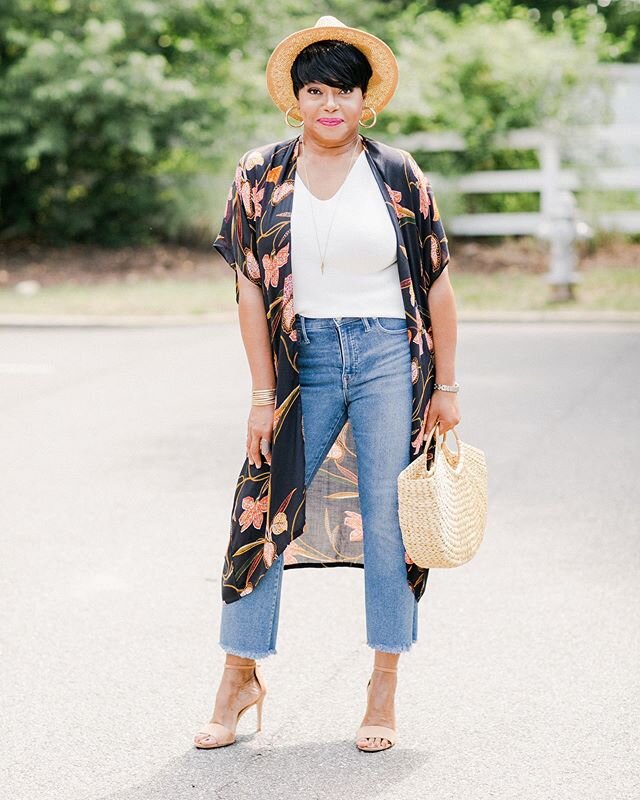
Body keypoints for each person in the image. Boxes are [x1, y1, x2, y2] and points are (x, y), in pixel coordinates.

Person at [194, 15, 460, 753]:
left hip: (386, 356)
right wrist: (257, 393)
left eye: (344, 90)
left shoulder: (400, 174)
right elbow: (249, 287)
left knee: (388, 519)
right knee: (262, 511)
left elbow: (438, 286)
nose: (330, 105)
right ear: (296, 100)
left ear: (365, 100)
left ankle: (383, 684)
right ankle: (239, 675)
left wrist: (448, 386)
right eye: (316, 90)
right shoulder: (260, 172)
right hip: (298, 359)